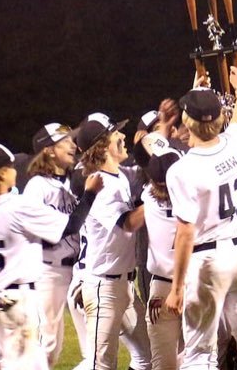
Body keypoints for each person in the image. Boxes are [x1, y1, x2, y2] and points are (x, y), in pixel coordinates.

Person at [165, 64, 237, 370]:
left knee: (199, 355)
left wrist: (177, 287)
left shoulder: (181, 169)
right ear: (219, 118)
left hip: (208, 260)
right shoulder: (234, 144)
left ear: (186, 121)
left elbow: (185, 233)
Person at [0, 142, 87, 370]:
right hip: (19, 302)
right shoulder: (16, 206)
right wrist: (92, 193)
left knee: (14, 362)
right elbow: (69, 226)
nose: (14, 170)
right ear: (1, 173)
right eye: (10, 167)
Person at [23, 122, 103, 368]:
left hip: (80, 270)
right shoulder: (37, 188)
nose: (72, 145)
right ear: (48, 151)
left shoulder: (73, 180)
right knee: (48, 346)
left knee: (94, 345)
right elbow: (66, 229)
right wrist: (89, 195)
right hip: (49, 272)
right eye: (65, 141)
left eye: (72, 139)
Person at [76, 112, 151, 370]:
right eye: (114, 133)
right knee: (101, 365)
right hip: (103, 289)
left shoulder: (116, 177)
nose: (121, 136)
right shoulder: (102, 184)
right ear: (102, 146)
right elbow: (129, 224)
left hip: (123, 287)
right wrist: (156, 195)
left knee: (147, 357)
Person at [142, 148, 184, 369]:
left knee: (162, 364)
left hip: (161, 287)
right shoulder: (194, 195)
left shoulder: (147, 195)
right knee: (200, 358)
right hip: (193, 285)